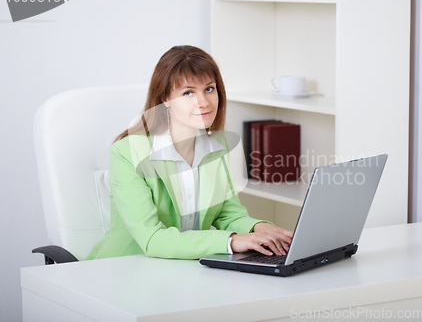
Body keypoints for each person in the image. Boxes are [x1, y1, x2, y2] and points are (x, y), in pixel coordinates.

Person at [87, 45, 293, 260]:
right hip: (126, 270)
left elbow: (227, 213)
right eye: (188, 92)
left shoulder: (217, 150)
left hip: (185, 269)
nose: (203, 102)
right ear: (165, 99)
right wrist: (230, 241)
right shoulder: (128, 153)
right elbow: (152, 239)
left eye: (209, 89)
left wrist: (259, 229)